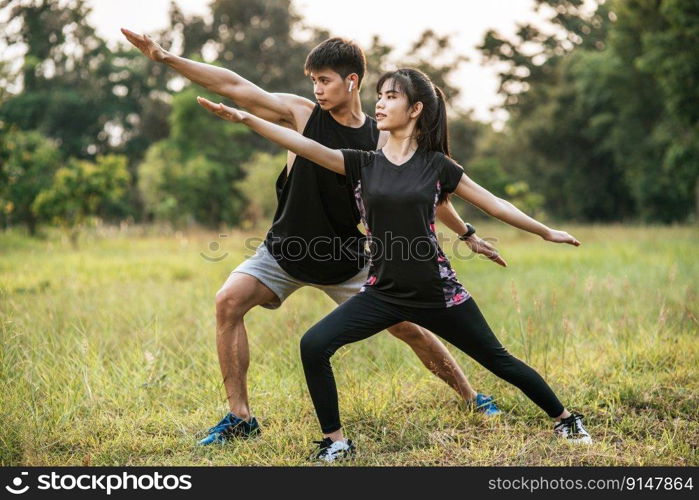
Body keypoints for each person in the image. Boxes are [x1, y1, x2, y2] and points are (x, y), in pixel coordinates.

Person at [121, 31, 508, 444]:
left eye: (325, 80)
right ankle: (240, 417)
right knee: (228, 301)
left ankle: (470, 396)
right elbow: (235, 85)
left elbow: (425, 191)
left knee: (409, 327)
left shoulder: (382, 139)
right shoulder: (301, 115)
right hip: (284, 249)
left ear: (353, 81)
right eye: (313, 81)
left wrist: (467, 233)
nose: (317, 89)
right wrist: (166, 58)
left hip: (347, 259)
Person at [197, 67, 593, 462]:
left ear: (416, 109)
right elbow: (305, 147)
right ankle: (336, 442)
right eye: (381, 95)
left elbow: (494, 203)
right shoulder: (363, 163)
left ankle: (565, 418)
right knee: (314, 345)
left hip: (437, 293)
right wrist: (247, 118)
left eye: (391, 97)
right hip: (382, 292)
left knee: (499, 360)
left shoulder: (437, 166)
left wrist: (545, 232)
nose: (380, 103)